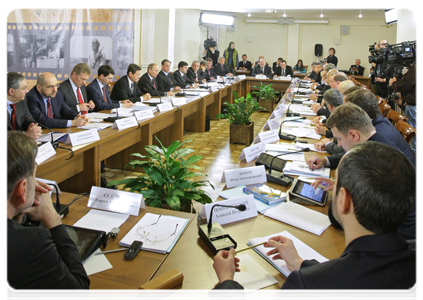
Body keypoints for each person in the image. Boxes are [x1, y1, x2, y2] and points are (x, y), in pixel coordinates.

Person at [209, 141, 419, 300]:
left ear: (343, 200)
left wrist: (226, 282)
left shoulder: (307, 288)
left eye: (335, 185)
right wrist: (302, 263)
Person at [5, 131, 90, 299]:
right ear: (22, 188)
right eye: (34, 176)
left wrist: (18, 212)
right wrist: (54, 221)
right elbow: (78, 293)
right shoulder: (31, 243)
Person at [389, 58, 420, 167]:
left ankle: (416, 171)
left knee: (416, 142)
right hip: (417, 107)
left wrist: (394, 84)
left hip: (415, 108)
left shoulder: (417, 67)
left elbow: (404, 85)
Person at [5, 72, 42, 139]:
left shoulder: (21, 101)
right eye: (24, 88)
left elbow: (28, 118)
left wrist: (33, 127)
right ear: (11, 91)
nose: (27, 91)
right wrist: (24, 135)